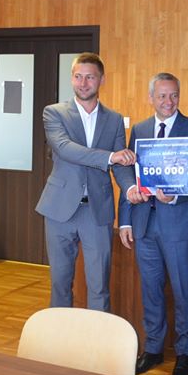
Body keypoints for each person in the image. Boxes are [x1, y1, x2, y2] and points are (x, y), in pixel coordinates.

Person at [117, 72, 188, 375]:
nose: (169, 101)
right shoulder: (140, 130)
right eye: (163, 96)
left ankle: (185, 351)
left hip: (178, 223)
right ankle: (153, 348)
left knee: (183, 291)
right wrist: (125, 219)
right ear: (151, 98)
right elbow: (131, 175)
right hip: (145, 224)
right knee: (150, 290)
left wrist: (175, 194)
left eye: (174, 95)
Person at [36, 52, 136, 312]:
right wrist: (110, 157)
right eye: (78, 77)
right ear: (72, 78)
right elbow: (65, 149)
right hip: (59, 208)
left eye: (90, 77)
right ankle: (60, 335)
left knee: (99, 285)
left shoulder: (114, 119)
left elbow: (121, 164)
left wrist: (131, 188)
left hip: (96, 210)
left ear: (101, 80)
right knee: (60, 283)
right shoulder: (54, 113)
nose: (83, 83)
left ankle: (97, 337)